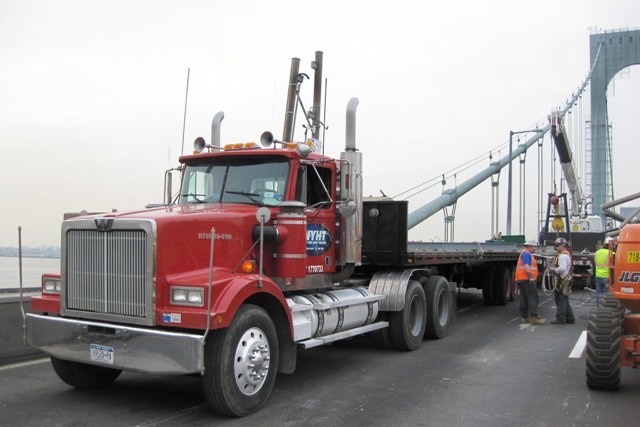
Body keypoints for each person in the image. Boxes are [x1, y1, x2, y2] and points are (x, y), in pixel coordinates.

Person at [516, 240, 545, 325]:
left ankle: (524, 317)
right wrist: (531, 278)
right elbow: (526, 266)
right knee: (533, 298)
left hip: (522, 279)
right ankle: (534, 317)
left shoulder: (524, 253)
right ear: (529, 246)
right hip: (527, 280)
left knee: (524, 299)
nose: (535, 248)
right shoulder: (526, 254)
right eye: (533, 246)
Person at [549, 237, 575, 324]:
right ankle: (570, 318)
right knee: (564, 299)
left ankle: (560, 318)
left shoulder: (563, 256)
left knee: (560, 299)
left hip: (562, 280)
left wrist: (554, 270)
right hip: (566, 279)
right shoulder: (566, 255)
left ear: (562, 246)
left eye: (557, 245)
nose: (556, 247)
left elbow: (562, 268)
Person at [593, 236, 615, 306]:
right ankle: (605, 309)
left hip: (598, 276)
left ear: (604, 244)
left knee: (598, 294)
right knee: (606, 295)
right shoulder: (612, 254)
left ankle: (599, 308)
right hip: (607, 277)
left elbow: (594, 265)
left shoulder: (597, 252)